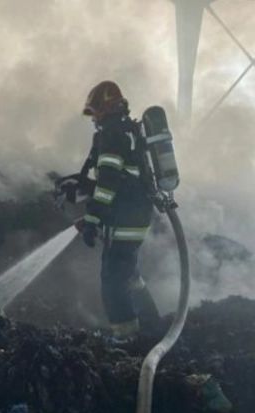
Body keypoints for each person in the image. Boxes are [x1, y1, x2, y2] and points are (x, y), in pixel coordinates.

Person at [73, 81, 160, 341]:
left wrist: (92, 219)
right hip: (136, 215)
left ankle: (126, 337)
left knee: (112, 280)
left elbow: (108, 182)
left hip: (125, 218)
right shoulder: (129, 129)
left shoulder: (112, 133)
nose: (94, 119)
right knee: (128, 273)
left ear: (106, 107)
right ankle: (152, 325)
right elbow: (120, 178)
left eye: (96, 112)